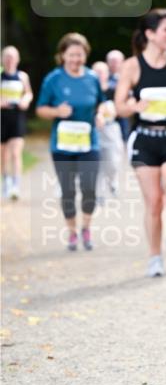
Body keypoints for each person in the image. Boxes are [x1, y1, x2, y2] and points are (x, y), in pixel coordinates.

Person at [115, 9, 166, 277]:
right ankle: (154, 256)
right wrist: (135, 105)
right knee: (155, 202)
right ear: (150, 34)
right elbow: (119, 106)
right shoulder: (132, 66)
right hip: (144, 139)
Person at [36, 34, 105, 251]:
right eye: (72, 55)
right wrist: (57, 111)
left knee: (89, 188)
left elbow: (101, 104)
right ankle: (72, 232)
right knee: (68, 191)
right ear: (63, 55)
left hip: (88, 143)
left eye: (80, 54)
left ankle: (86, 227)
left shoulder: (92, 78)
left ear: (86, 55)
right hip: (62, 145)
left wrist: (101, 114)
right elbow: (40, 109)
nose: (76, 59)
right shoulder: (53, 79)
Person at [1, 45, 33, 200]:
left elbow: (28, 93)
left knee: (15, 153)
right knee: (3, 155)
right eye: (7, 57)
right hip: (2, 118)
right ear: (2, 59)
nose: (9, 60)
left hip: (17, 117)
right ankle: (5, 182)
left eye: (12, 57)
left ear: (18, 59)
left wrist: (25, 100)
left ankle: (16, 185)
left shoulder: (22, 76)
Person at [91, 60, 124, 202]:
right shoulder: (89, 90)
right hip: (93, 129)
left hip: (111, 130)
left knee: (112, 162)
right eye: (96, 72)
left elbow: (123, 106)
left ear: (107, 74)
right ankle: (99, 193)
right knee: (96, 162)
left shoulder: (114, 90)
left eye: (102, 72)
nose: (99, 75)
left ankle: (112, 180)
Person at [106, 49, 130, 140]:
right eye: (112, 61)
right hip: (108, 117)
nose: (114, 64)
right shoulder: (104, 77)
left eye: (116, 61)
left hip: (123, 117)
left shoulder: (128, 76)